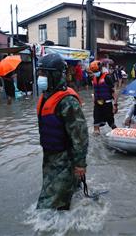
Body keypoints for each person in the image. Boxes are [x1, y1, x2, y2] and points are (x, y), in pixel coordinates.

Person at [36, 53, 88, 210]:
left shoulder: (68, 101)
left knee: (48, 207)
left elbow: (80, 134)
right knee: (54, 190)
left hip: (65, 159)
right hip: (50, 156)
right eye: (40, 72)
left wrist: (80, 164)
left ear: (56, 74)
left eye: (44, 73)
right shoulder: (47, 96)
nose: (41, 77)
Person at [89, 60, 118, 134]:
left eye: (96, 71)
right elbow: (95, 90)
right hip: (97, 104)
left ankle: (117, 134)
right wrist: (94, 100)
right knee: (96, 124)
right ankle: (98, 143)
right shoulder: (94, 78)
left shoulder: (107, 77)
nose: (95, 72)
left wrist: (115, 105)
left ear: (101, 69)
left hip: (107, 104)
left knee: (111, 123)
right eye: (94, 71)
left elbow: (114, 92)